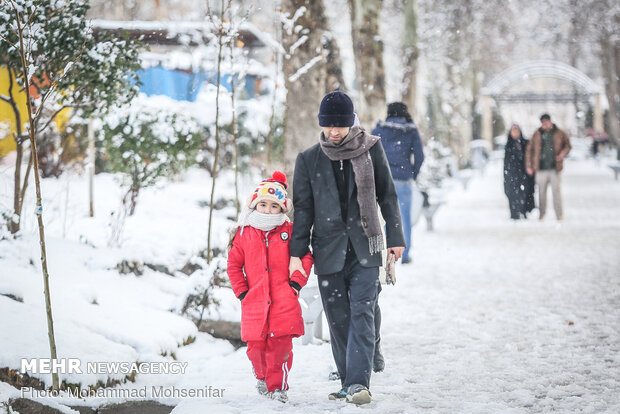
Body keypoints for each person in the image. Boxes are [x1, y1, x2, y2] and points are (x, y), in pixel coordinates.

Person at [289, 91, 405, 405]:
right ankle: (347, 380)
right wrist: (297, 254)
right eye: (329, 126)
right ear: (321, 125)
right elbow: (303, 210)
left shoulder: (371, 149)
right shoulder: (309, 159)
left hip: (366, 246)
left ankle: (357, 383)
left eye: (341, 124)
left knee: (363, 312)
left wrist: (396, 239)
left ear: (351, 122)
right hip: (328, 251)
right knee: (338, 320)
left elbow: (388, 196)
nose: (335, 131)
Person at [227, 171, 314, 404]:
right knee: (255, 348)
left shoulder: (289, 231)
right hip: (254, 302)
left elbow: (304, 257)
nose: (267, 210)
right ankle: (262, 376)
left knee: (280, 348)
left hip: (283, 300)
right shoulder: (244, 233)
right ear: (255, 205)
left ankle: (278, 387)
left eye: (273, 206)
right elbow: (234, 265)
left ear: (282, 208)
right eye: (263, 204)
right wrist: (242, 292)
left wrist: (295, 284)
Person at [371, 101, 424, 263]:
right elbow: (420, 156)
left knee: (385, 215)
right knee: (405, 218)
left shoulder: (379, 130)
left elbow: (369, 152)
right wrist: (412, 175)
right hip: (403, 180)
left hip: (383, 179)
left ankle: (387, 252)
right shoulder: (411, 130)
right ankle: (405, 255)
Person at [525, 113, 571, 221]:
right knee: (541, 193)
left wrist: (562, 154)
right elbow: (529, 150)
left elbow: (568, 145)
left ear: (550, 121)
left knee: (556, 193)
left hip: (555, 168)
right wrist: (529, 165)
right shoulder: (537, 134)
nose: (544, 125)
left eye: (546, 122)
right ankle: (542, 214)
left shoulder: (559, 132)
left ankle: (559, 215)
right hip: (540, 168)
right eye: (542, 123)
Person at [503, 124, 535, 220]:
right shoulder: (508, 145)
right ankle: (514, 214)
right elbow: (506, 162)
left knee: (524, 193)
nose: (515, 133)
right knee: (512, 194)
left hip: (523, 173)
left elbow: (530, 157)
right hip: (512, 174)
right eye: (513, 131)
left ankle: (524, 211)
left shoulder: (526, 143)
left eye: (517, 131)